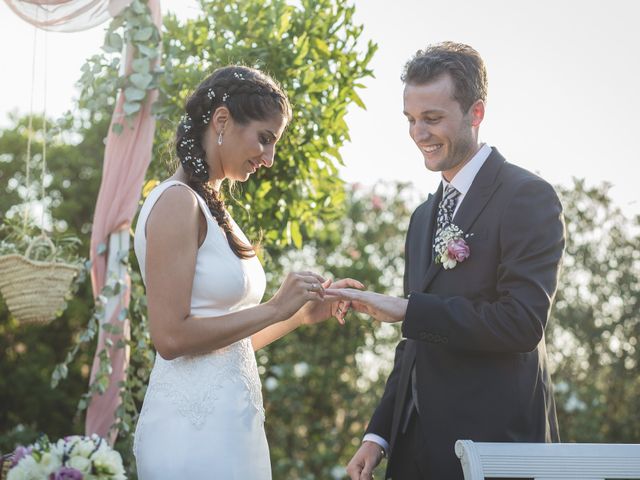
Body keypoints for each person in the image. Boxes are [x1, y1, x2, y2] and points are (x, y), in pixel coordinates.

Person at [329, 42, 565, 479]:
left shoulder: (527, 197)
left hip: (495, 450)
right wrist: (377, 436)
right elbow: (415, 340)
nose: (419, 133)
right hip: (414, 452)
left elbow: (522, 323)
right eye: (411, 120)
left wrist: (407, 309)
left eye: (432, 119)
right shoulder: (422, 217)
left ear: (475, 113)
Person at [132, 65, 360, 479]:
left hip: (234, 427)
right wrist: (275, 307)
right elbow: (169, 337)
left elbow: (232, 345)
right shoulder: (176, 203)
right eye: (264, 139)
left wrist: (302, 313)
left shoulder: (216, 210)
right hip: (190, 434)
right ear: (222, 120)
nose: (269, 159)